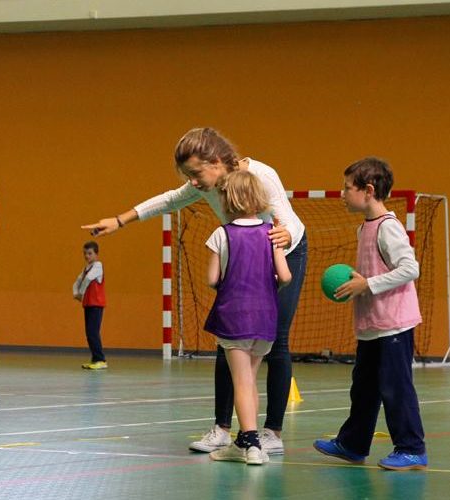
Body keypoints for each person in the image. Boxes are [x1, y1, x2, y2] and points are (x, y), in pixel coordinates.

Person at [82, 127, 308, 455]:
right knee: (228, 339)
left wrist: (282, 239)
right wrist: (120, 220)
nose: (194, 182)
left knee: (275, 342)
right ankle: (222, 429)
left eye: (196, 173)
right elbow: (168, 200)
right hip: (245, 256)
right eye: (188, 176)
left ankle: (272, 432)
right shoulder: (204, 186)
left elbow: (282, 220)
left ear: (216, 161)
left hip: (285, 251)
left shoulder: (261, 175)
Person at [313, 157, 428, 471]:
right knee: (363, 387)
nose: (341, 193)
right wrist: (359, 278)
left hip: (393, 325)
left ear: (368, 190)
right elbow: (375, 269)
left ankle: (412, 448)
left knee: (396, 388)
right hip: (371, 325)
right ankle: (352, 444)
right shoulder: (364, 227)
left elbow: (410, 269)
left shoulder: (388, 227)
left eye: (347, 188)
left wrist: (368, 283)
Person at [201, 171, 292, 465]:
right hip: (265, 317)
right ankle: (244, 439)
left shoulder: (221, 234)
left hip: (234, 317)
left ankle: (251, 445)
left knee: (240, 381)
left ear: (228, 200)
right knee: (250, 380)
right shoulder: (271, 234)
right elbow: (286, 276)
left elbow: (213, 278)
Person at [72, 241, 107, 370]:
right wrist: (75, 293)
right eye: (85, 253)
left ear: (96, 254)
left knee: (93, 332)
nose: (87, 256)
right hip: (88, 304)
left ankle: (101, 360)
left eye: (90, 253)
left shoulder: (98, 266)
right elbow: (77, 281)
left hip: (96, 304)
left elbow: (87, 280)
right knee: (89, 333)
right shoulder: (86, 268)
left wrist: (80, 294)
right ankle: (95, 359)